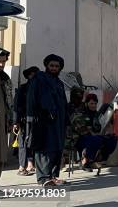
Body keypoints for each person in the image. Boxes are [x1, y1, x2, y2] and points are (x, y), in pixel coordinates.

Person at [26, 54, 69, 187]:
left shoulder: (59, 83)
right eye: (52, 66)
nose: (54, 68)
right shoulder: (39, 79)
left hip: (59, 122)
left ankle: (54, 176)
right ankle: (44, 178)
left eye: (57, 66)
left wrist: (66, 120)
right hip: (43, 121)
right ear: (46, 66)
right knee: (44, 148)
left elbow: (63, 103)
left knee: (57, 148)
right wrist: (32, 118)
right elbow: (32, 100)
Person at [71, 94, 117, 171]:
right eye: (91, 103)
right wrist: (94, 133)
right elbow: (83, 131)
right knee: (96, 139)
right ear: (86, 103)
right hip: (78, 139)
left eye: (95, 104)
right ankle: (86, 161)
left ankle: (97, 159)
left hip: (92, 137)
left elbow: (97, 129)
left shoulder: (96, 114)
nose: (94, 105)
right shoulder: (80, 114)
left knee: (112, 139)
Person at [13, 66, 39, 176]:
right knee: (23, 143)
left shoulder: (39, 89)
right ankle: (21, 167)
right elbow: (16, 106)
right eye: (33, 74)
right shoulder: (22, 88)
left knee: (33, 142)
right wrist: (16, 121)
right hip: (23, 121)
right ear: (28, 76)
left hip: (36, 121)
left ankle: (30, 164)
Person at [0, 47, 12, 192]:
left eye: (3, 62)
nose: (1, 65)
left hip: (1, 121)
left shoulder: (5, 78)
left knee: (0, 153)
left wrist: (11, 119)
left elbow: (9, 101)